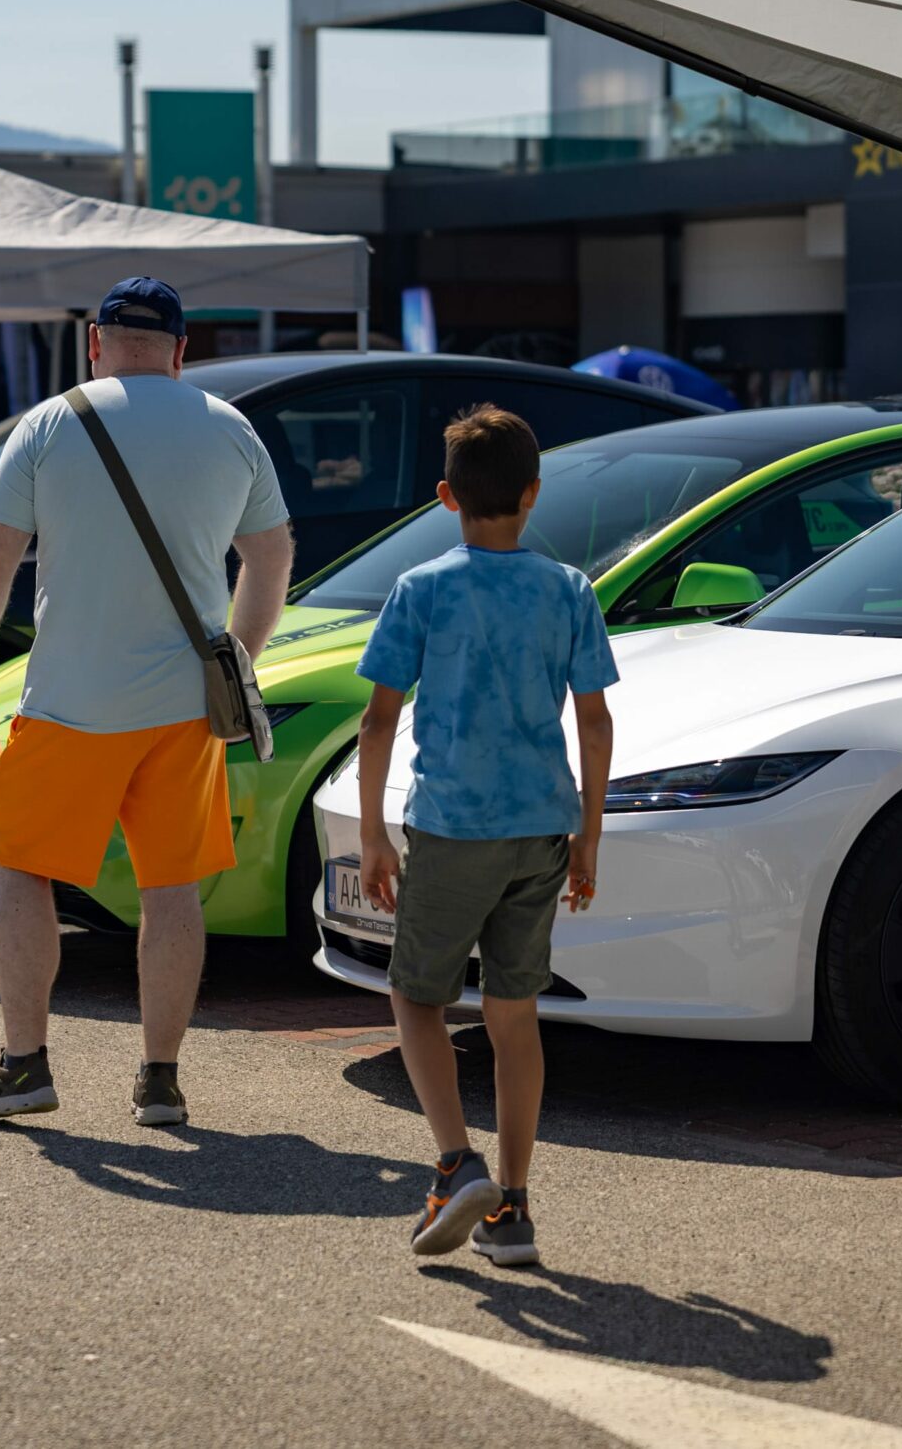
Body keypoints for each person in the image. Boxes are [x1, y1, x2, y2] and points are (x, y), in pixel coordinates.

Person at [0, 276, 292, 1126]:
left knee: (22, 871)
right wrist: (238, 658)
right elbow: (271, 557)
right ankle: (161, 1079)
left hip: (71, 701)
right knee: (170, 888)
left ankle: (25, 1065)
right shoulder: (230, 427)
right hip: (185, 705)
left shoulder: (52, 422)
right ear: (181, 351)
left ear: (95, 342)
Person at [353, 406, 617, 1267]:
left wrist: (373, 833)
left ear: (445, 497)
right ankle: (515, 1208)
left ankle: (455, 1163)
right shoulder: (569, 590)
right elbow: (595, 722)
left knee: (416, 997)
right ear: (533, 494)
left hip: (453, 827)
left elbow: (378, 721)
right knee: (514, 1014)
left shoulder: (422, 588)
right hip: (542, 829)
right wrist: (589, 836)